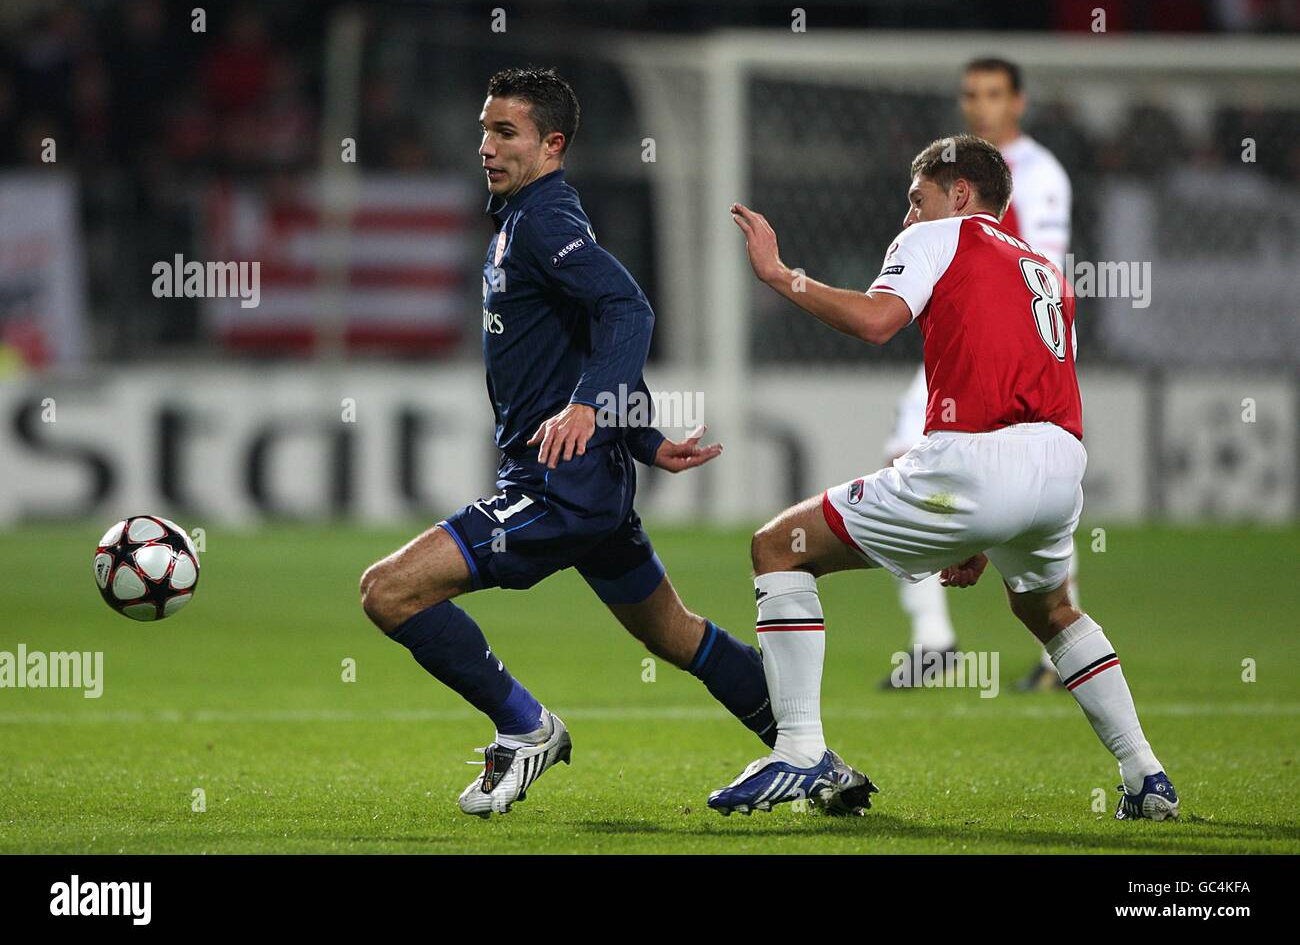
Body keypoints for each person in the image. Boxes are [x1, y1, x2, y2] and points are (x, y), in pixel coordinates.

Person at [359, 67, 872, 817]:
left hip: (555, 487)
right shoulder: (522, 220)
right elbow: (588, 336)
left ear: (552, 143)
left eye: (505, 133)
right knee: (677, 632)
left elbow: (627, 307)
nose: (486, 147)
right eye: (483, 130)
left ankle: (524, 725)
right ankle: (813, 757)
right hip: (586, 481)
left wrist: (592, 409)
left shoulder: (544, 223)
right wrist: (643, 436)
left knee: (388, 590)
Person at [709, 134, 1177, 822]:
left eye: (916, 199)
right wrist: (987, 524)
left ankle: (802, 748)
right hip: (1056, 467)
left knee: (778, 547)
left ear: (959, 194)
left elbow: (876, 322)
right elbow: (1019, 378)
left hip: (975, 463)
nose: (907, 217)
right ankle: (1145, 773)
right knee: (1046, 608)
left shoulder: (940, 237)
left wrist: (784, 277)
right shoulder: (1041, 269)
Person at [881, 56, 1076, 692]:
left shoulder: (1039, 174)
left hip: (1009, 344)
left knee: (1038, 499)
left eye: (994, 94)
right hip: (957, 340)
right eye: (971, 94)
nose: (981, 106)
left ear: (1017, 102)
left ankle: (1055, 646)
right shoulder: (953, 173)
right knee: (904, 460)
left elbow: (1041, 268)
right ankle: (934, 642)